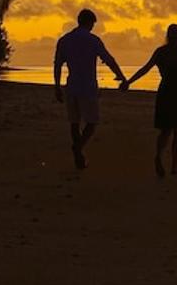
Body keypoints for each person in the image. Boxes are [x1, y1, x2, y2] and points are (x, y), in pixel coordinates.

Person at [54, 9, 126, 169]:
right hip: (87, 87)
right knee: (92, 122)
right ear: (89, 23)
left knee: (74, 122)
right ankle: (78, 148)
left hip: (71, 85)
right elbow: (108, 59)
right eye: (93, 24)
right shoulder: (93, 40)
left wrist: (57, 86)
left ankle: (78, 153)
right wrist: (121, 75)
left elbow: (58, 64)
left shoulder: (65, 40)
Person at [125, 24, 177, 177]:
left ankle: (159, 156)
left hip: (165, 92)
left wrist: (129, 82)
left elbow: (145, 68)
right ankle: (174, 166)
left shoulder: (161, 52)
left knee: (165, 130)